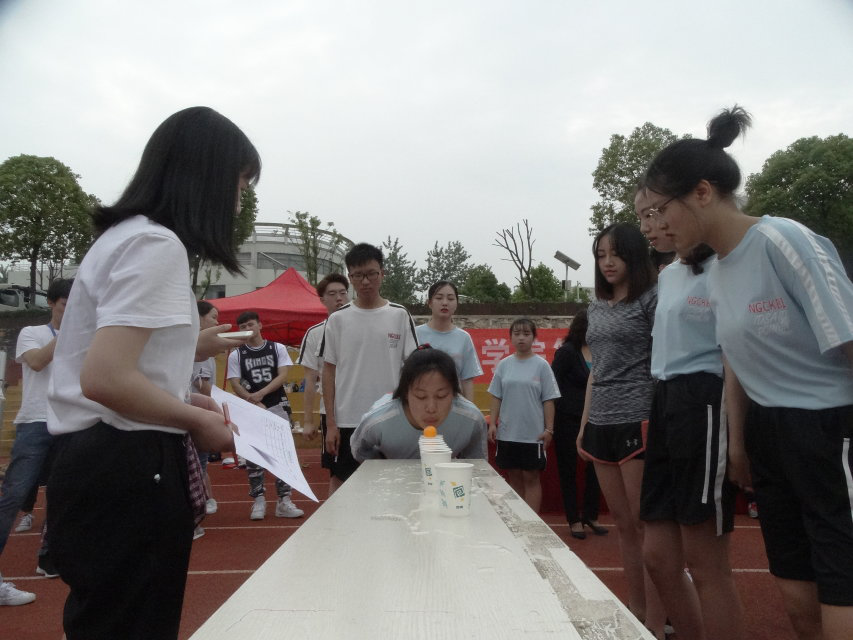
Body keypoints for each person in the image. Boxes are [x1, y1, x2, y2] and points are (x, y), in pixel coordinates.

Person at [642, 106, 853, 640]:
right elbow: (735, 359)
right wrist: (740, 442)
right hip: (769, 433)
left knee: (842, 587)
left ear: (702, 193)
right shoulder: (715, 271)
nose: (656, 225)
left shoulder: (783, 240)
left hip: (829, 429)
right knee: (796, 594)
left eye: (662, 209)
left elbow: (848, 338)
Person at [45, 106, 253, 640]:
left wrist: (187, 400)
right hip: (127, 466)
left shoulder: (126, 237)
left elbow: (127, 370)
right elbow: (106, 378)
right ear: (204, 177)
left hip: (102, 463)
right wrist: (197, 420)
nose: (237, 204)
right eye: (238, 186)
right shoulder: (157, 245)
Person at [635, 187, 744, 640]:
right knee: (658, 557)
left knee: (705, 562)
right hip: (664, 400)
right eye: (642, 216)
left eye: (654, 212)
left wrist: (738, 440)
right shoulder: (668, 275)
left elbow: (734, 355)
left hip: (705, 401)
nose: (648, 225)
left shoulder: (726, 267)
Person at [576, 222, 666, 637]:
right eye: (600, 255)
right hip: (601, 422)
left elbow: (663, 361)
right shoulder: (595, 307)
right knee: (625, 528)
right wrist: (584, 425)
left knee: (647, 526)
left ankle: (657, 621)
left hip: (639, 418)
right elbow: (596, 370)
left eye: (615, 253)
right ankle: (637, 610)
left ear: (633, 255)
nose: (607, 262)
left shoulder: (652, 298)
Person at [319, 243, 419, 493]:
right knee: (341, 482)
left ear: (382, 274)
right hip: (347, 419)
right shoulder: (338, 319)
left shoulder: (399, 315)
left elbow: (415, 368)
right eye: (358, 275)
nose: (365, 281)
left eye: (371, 274)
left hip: (391, 417)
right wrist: (331, 424)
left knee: (393, 485)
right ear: (350, 277)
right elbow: (328, 371)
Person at [0, 278, 73, 606]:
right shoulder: (31, 333)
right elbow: (37, 361)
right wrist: (67, 334)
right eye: (66, 304)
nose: (71, 310)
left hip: (70, 423)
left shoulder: (85, 337)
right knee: (14, 496)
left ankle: (49, 557)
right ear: (52, 303)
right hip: (35, 422)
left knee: (63, 496)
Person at [227, 311, 304, 520]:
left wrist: (261, 393)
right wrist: (252, 399)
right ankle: (259, 500)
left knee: (283, 453)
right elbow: (235, 383)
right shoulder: (236, 355)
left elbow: (283, 375)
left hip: (277, 404)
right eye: (242, 326)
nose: (247, 329)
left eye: (250, 324)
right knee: (254, 455)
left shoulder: (276, 348)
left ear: (260, 325)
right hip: (251, 407)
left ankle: (284, 500)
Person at [351, 347, 487, 461]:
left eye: (441, 396)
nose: (431, 408)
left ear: (454, 393)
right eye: (421, 396)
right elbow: (359, 449)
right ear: (405, 393)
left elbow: (478, 464)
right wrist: (382, 466)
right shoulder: (378, 421)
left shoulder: (472, 419)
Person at [487, 318, 560, 513]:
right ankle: (518, 518)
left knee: (531, 477)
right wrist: (492, 423)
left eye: (526, 334)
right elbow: (496, 396)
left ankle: (532, 523)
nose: (521, 338)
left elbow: (549, 400)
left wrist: (549, 430)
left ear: (534, 337)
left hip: (533, 435)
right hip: (508, 433)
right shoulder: (504, 365)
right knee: (514, 477)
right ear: (510, 337)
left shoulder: (542, 366)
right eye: (517, 334)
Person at [550, 309, 606, 540]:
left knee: (597, 470)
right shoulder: (567, 352)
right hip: (568, 420)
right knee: (569, 470)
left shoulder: (603, 351)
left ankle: (591, 515)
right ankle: (574, 519)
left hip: (598, 419)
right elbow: (552, 386)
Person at [296, 274, 350, 495]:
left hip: (365, 409)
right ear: (322, 300)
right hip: (333, 413)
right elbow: (310, 380)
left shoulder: (362, 327)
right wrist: (308, 421)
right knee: (338, 474)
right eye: (332, 294)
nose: (339, 298)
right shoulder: (315, 334)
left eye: (343, 293)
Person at [415, 280, 483, 402]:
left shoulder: (464, 338)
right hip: (422, 404)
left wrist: (470, 410)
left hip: (454, 405)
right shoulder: (415, 334)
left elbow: (467, 380)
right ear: (429, 303)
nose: (445, 303)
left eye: (450, 299)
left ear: (456, 303)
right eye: (439, 298)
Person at [190, 300, 224, 540]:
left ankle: (203, 503)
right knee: (194, 466)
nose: (217, 322)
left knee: (199, 464)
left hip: (199, 413)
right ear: (200, 318)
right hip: (192, 415)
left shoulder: (207, 352)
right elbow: (202, 387)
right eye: (213, 317)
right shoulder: (195, 350)